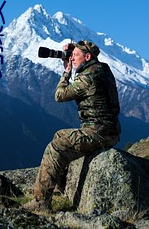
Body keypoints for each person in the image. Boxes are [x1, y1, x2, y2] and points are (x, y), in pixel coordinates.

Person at [23, 40, 121, 212]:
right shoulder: (102, 69)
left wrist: (66, 72)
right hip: (108, 130)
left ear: (88, 57)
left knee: (56, 147)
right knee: (60, 135)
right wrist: (74, 51)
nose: (72, 58)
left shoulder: (88, 78)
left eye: (76, 56)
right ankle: (60, 189)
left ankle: (40, 203)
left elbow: (59, 96)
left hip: (98, 132)